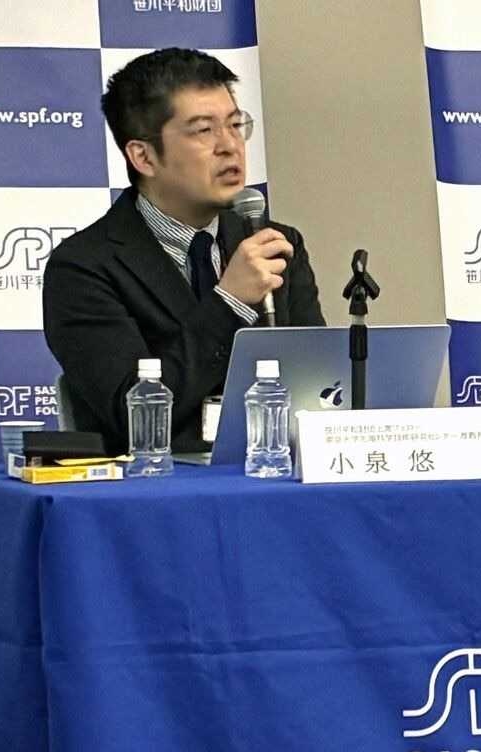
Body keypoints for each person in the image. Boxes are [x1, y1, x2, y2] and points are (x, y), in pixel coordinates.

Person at [44, 48, 324, 454]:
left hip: (272, 473)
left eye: (235, 125)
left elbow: (319, 386)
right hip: (156, 483)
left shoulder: (277, 245)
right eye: (203, 131)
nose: (230, 146)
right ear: (144, 156)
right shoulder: (84, 267)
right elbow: (130, 415)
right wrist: (229, 303)